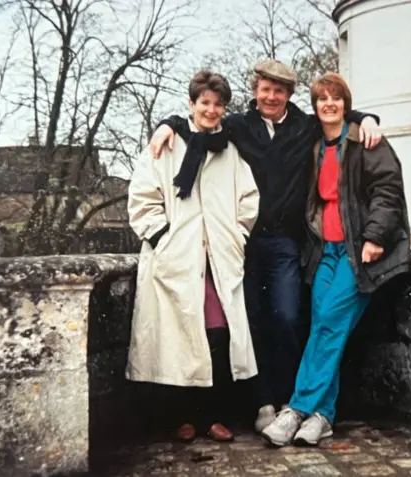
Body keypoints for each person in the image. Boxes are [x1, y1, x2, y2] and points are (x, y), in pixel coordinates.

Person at [148, 60, 382, 433]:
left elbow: (334, 109)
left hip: (286, 241)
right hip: (242, 244)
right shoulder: (240, 126)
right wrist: (168, 123)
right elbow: (201, 123)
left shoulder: (304, 127)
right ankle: (262, 403)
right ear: (256, 91)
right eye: (265, 90)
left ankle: (291, 399)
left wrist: (367, 118)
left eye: (279, 91)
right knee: (250, 321)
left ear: (289, 95)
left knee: (288, 317)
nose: (271, 97)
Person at [261, 72, 411, 447]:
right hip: (322, 250)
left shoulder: (366, 140)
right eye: (322, 99)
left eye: (336, 98)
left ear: (346, 103)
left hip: (358, 252)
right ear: (315, 107)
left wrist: (375, 236)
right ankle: (324, 416)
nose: (329, 104)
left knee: (330, 324)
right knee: (324, 328)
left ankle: (296, 409)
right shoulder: (314, 141)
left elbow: (388, 191)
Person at [126, 70, 260, 442]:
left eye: (218, 105)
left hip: (218, 258)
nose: (212, 110)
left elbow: (248, 198)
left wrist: (237, 234)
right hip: (176, 259)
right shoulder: (166, 145)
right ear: (192, 104)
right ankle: (182, 418)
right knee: (179, 338)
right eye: (205, 103)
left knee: (217, 333)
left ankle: (215, 416)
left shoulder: (230, 151)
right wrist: (163, 237)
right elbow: (141, 197)